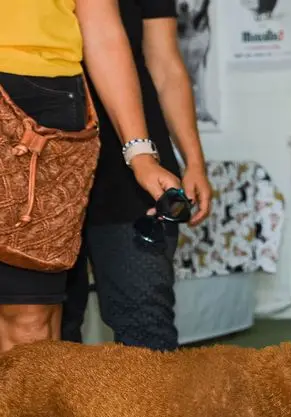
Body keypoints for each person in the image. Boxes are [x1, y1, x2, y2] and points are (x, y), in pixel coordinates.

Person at [0, 0, 182, 352]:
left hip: (37, 99)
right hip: (42, 98)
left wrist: (140, 153)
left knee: (30, 319)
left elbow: (102, 30)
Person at [61, 0, 212, 351]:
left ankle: (156, 408)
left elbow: (166, 64)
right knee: (52, 331)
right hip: (46, 152)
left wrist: (194, 160)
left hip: (134, 166)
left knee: (147, 324)